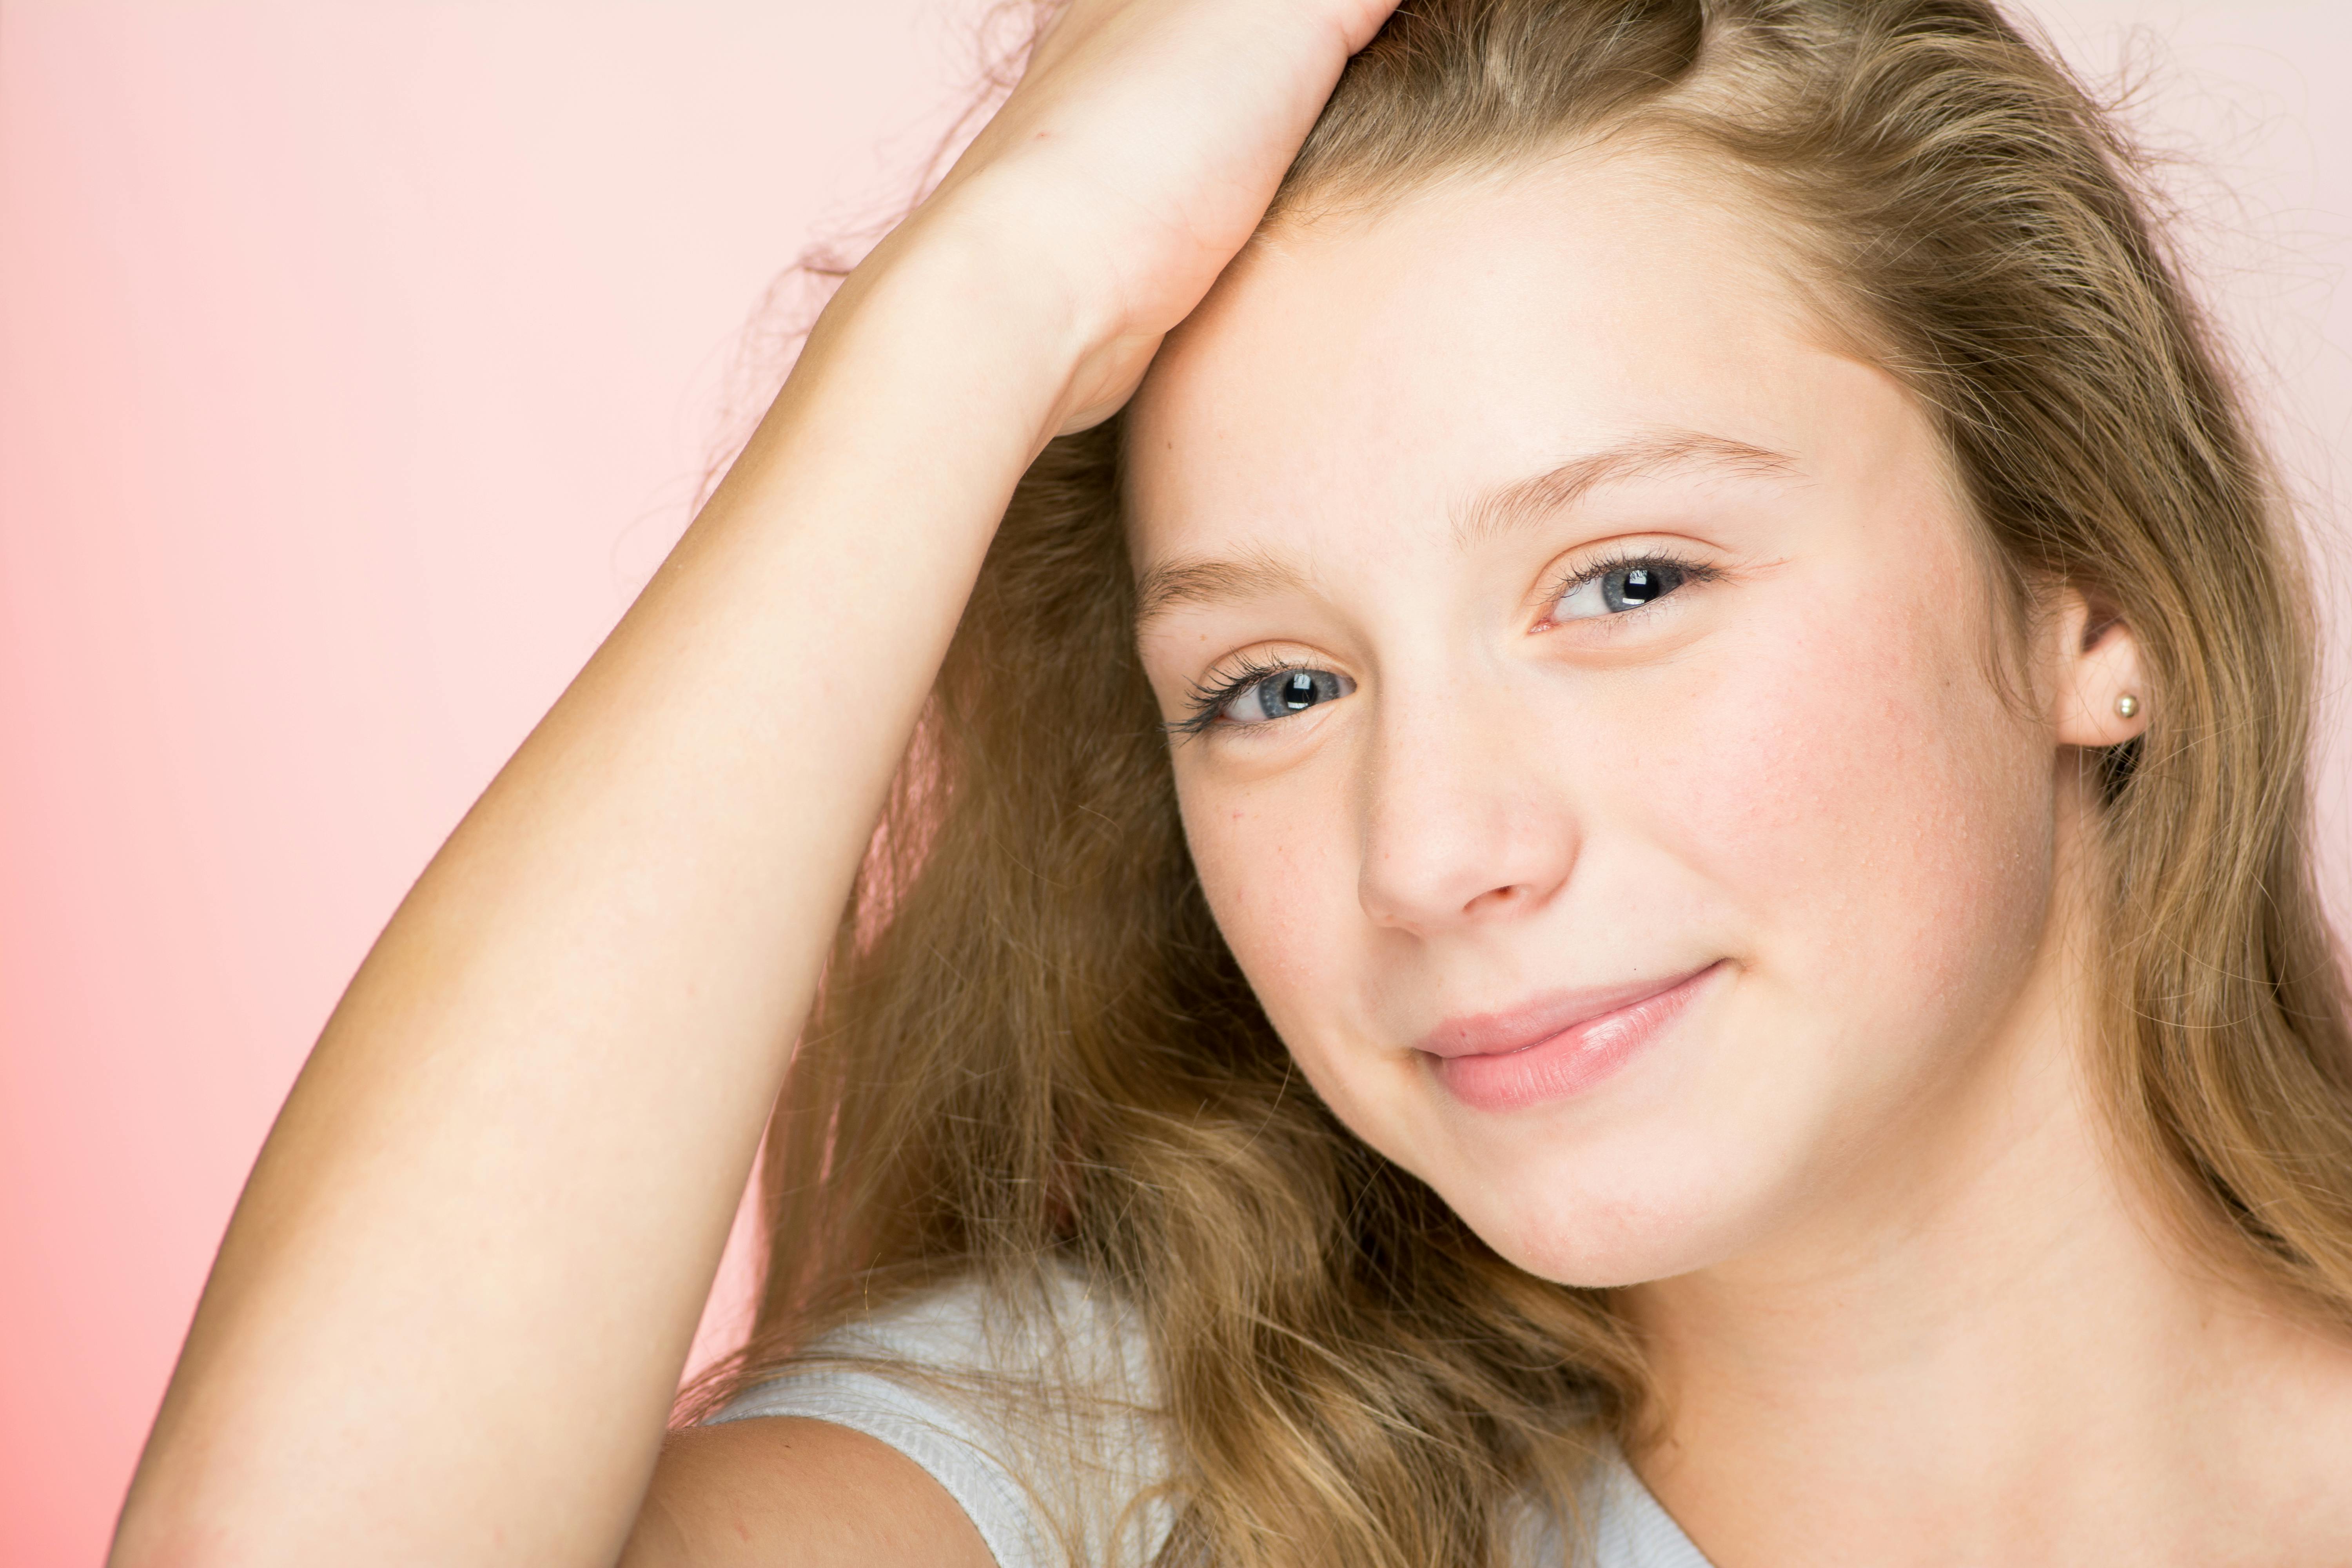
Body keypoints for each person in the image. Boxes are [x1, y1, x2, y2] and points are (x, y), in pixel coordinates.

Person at [109, 1, 2352, 1564]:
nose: (1437, 854)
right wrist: (977, 299)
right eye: (1273, 689)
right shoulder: (1120, 1483)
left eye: (1628, 579)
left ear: (2093, 599)